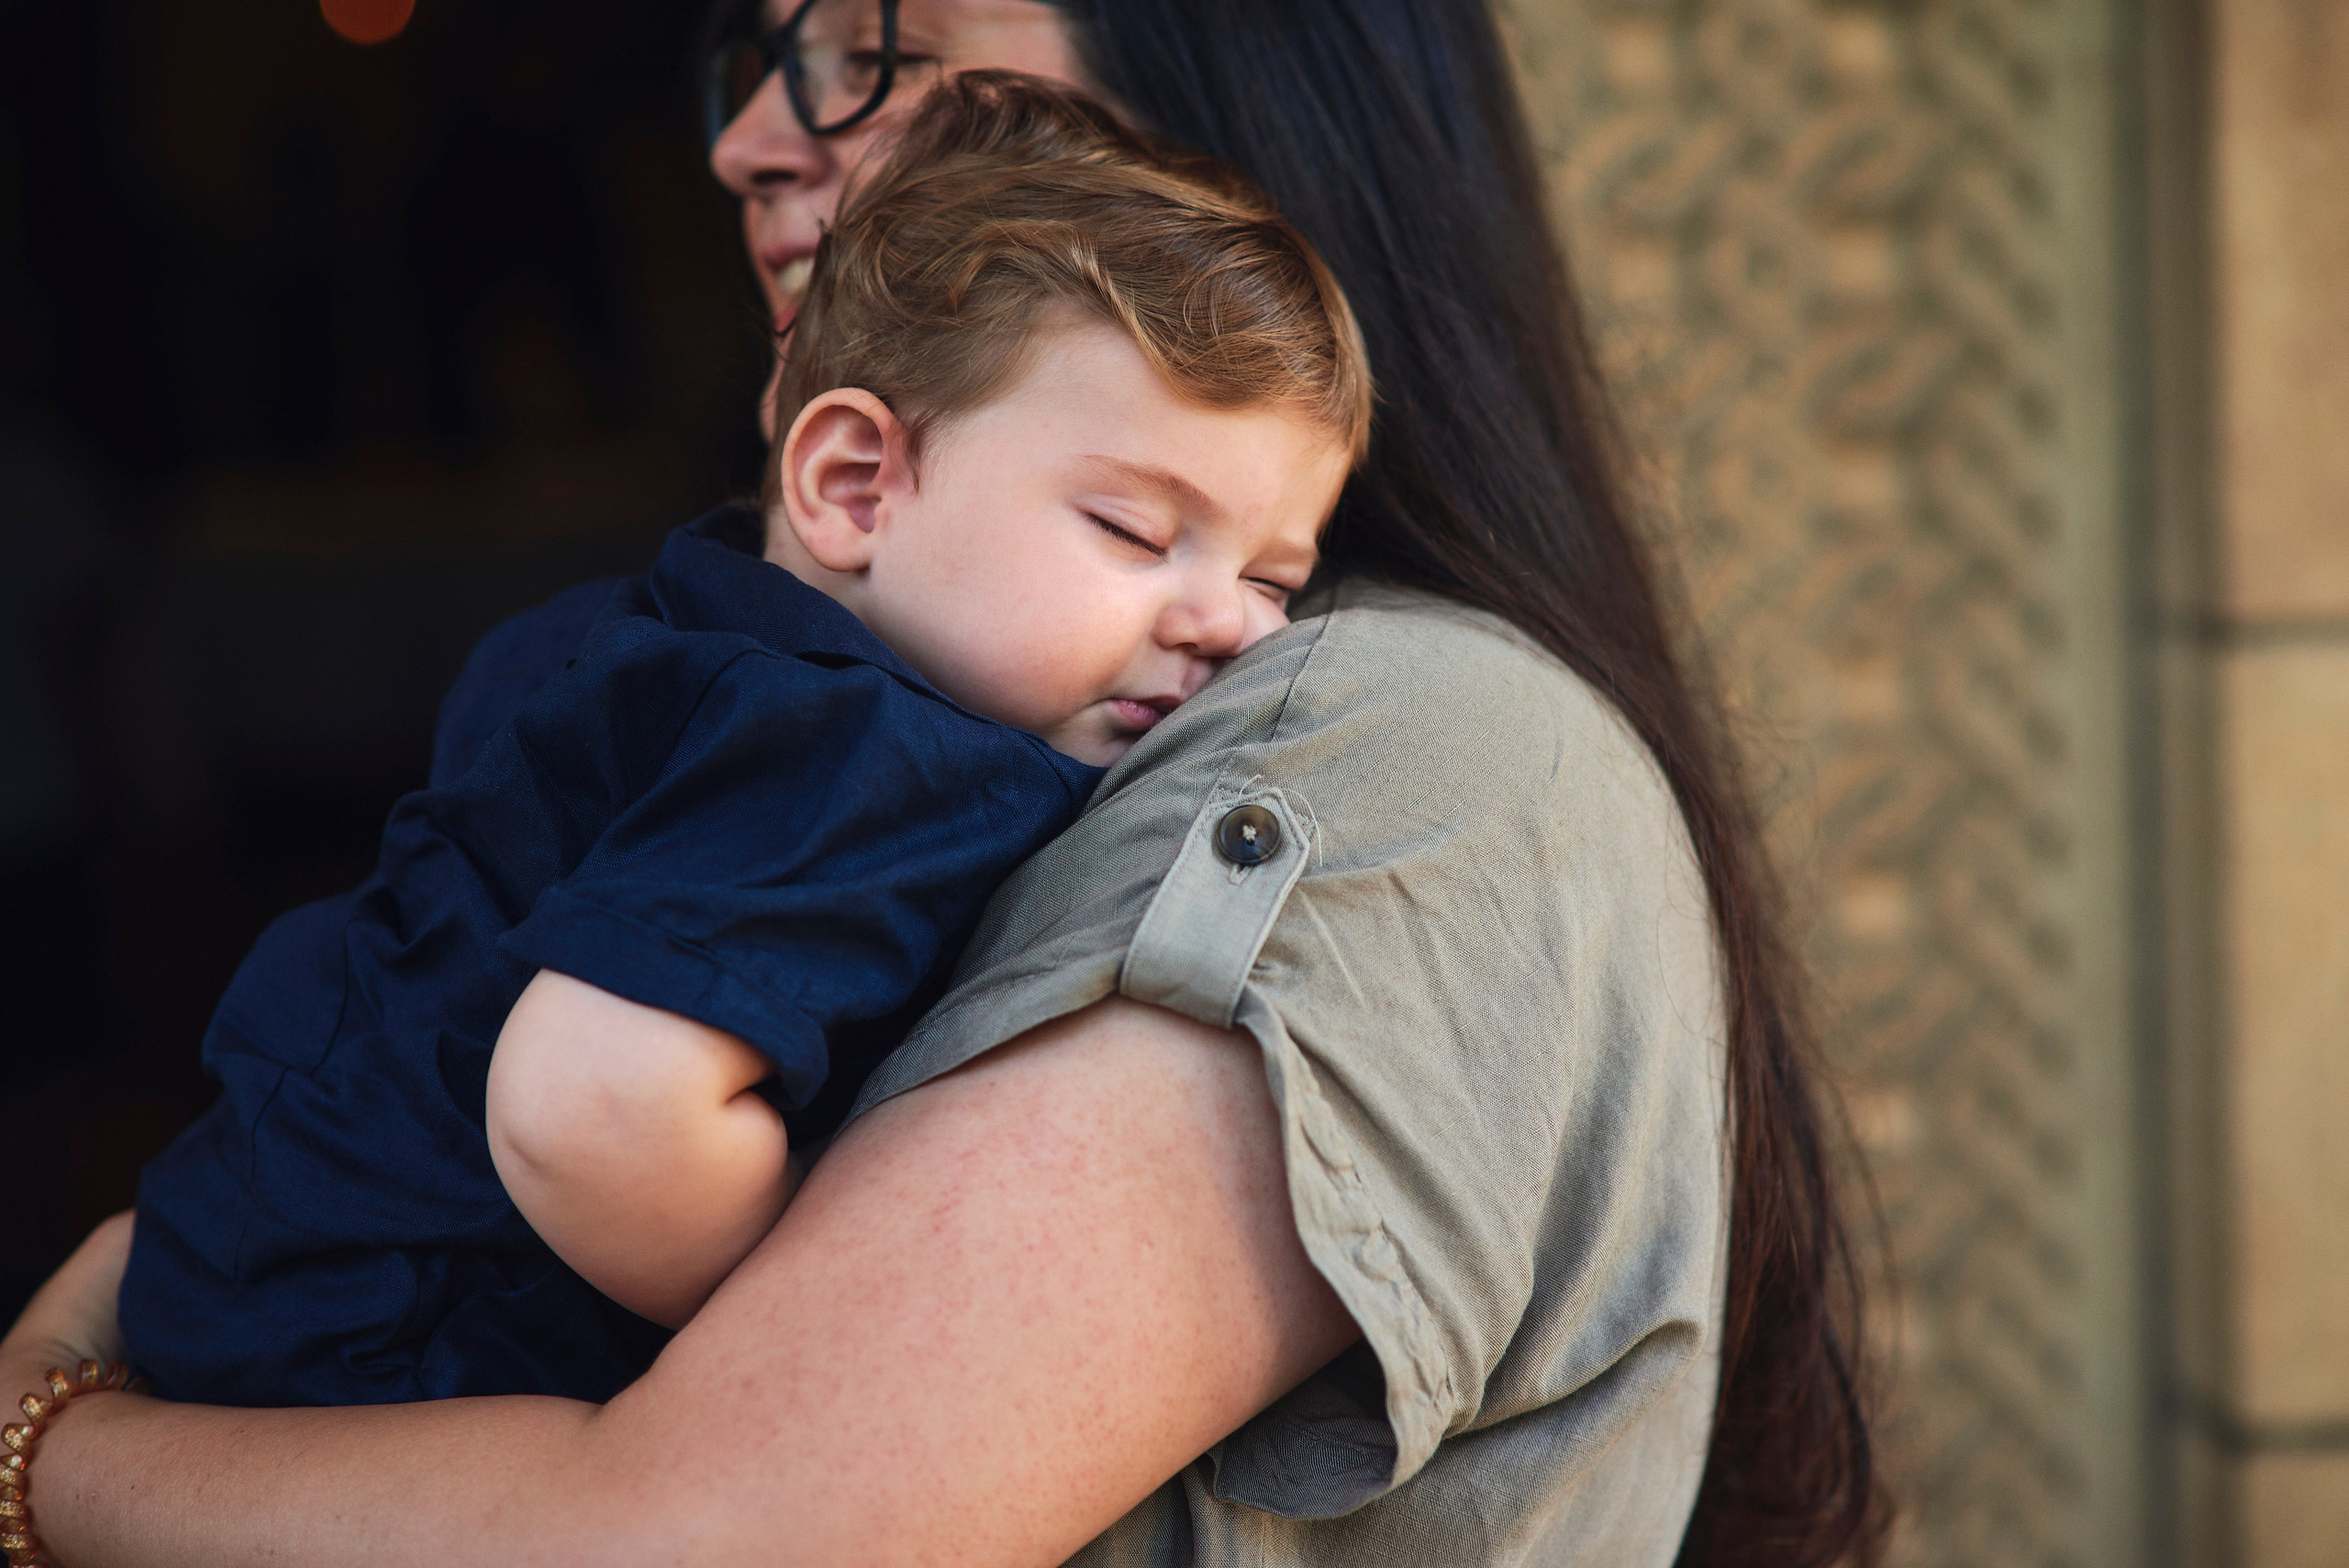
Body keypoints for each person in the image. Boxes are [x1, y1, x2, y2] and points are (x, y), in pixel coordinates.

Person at [0, 3, 1886, 1565]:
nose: (749, 135)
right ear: (847, 480)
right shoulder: (860, 697)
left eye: (868, 47)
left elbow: (718, 1531)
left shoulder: (1402, 752)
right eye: (749, 51)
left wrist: (48, 1450)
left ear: (1237, 82)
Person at [112, 75, 1370, 1409]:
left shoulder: (644, 628)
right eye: (1131, 528)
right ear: (853, 485)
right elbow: (595, 1108)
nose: (1225, 623)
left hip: (242, 1253)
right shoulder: (879, 755)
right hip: (394, 1359)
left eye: (1276, 580)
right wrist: (815, 1318)